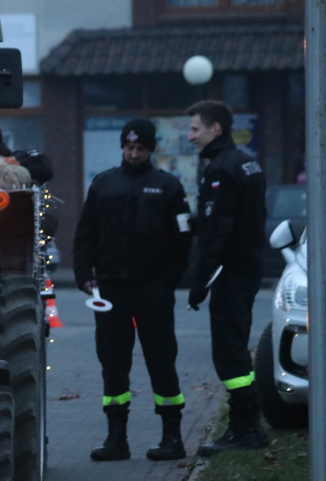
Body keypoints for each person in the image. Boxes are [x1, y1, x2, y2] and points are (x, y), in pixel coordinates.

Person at [73, 118, 193, 462]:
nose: (134, 153)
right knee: (113, 364)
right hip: (110, 290)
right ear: (122, 147)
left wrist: (170, 279)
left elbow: (183, 238)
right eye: (129, 147)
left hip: (153, 288)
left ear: (150, 150)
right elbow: (85, 236)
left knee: (161, 361)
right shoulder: (103, 184)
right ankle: (116, 439)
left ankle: (172, 437)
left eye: (140, 148)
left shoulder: (168, 187)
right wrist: (85, 277)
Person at [185, 100, 268, 455]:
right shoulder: (246, 162)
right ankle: (247, 424)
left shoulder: (220, 169)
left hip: (231, 273)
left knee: (229, 353)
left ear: (215, 129)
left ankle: (245, 428)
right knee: (235, 348)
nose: (190, 137)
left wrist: (199, 280)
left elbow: (218, 230)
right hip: (246, 267)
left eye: (195, 129)